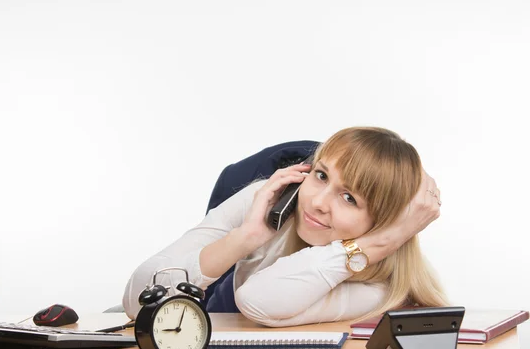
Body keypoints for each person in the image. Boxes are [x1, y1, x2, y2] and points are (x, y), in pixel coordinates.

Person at [123, 127, 448, 327]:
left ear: (382, 224)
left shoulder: (379, 284)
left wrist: (383, 242)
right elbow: (137, 299)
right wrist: (245, 237)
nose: (319, 201)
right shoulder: (265, 199)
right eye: (321, 175)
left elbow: (258, 299)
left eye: (349, 198)